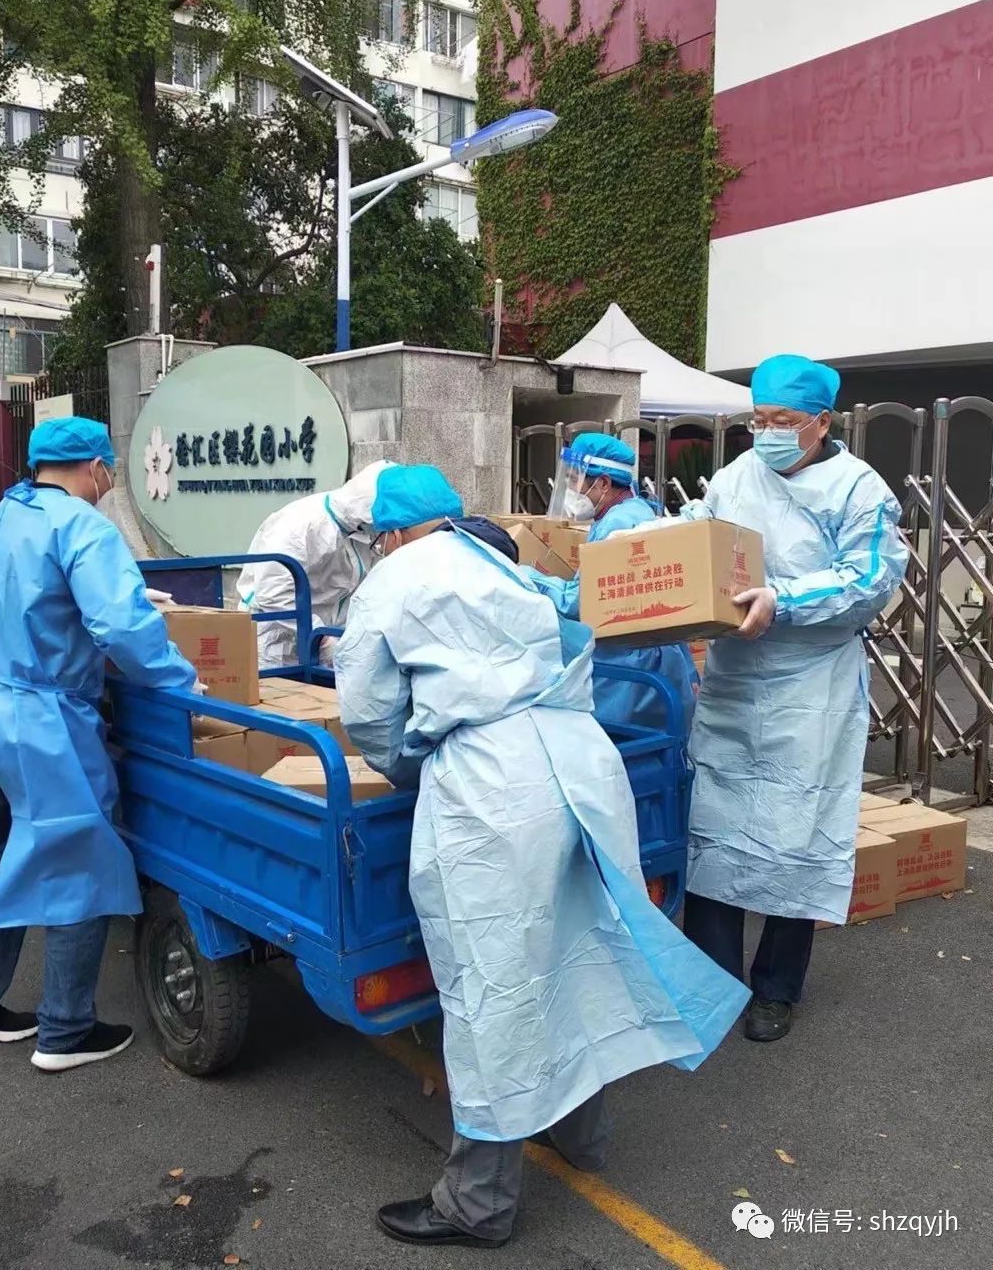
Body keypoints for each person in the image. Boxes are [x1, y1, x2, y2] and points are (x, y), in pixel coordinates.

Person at [334, 464, 749, 1248]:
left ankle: (478, 1203)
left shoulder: (391, 581)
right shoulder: (505, 564)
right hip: (583, 762)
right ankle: (581, 1134)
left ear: (388, 533)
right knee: (580, 951)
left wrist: (411, 764)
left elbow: (368, 710)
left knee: (493, 985)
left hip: (494, 786)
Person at [680, 355, 908, 1042]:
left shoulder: (858, 489)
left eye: (783, 420)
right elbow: (702, 531)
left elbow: (870, 576)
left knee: (796, 832)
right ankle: (712, 984)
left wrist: (784, 599)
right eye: (759, 420)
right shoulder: (735, 477)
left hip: (812, 684)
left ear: (821, 422)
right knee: (714, 828)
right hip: (735, 677)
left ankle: (776, 989)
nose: (769, 433)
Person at [0, 418, 197, 1070]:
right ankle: (65, 1030)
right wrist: (182, 682)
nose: (109, 480)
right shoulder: (81, 526)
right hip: (45, 724)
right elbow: (121, 627)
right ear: (95, 466)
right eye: (108, 469)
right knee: (78, 861)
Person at [525, 432, 698, 734]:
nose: (571, 491)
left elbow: (581, 601)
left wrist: (526, 576)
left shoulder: (617, 525)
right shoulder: (637, 510)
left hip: (629, 669)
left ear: (603, 483)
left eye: (576, 481)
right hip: (656, 659)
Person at [236, 461, 394, 668]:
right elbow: (272, 592)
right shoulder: (300, 525)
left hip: (326, 640)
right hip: (277, 640)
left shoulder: (360, 530)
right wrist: (323, 638)